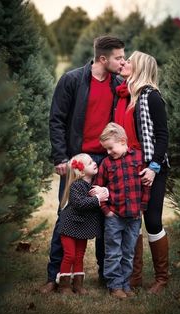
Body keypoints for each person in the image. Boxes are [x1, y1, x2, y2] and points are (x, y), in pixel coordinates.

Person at [40, 36, 125, 293]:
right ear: (102, 59)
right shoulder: (72, 80)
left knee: (104, 217)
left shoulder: (119, 85)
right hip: (78, 160)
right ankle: (54, 275)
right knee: (66, 215)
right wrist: (60, 158)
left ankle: (105, 276)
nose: (123, 62)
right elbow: (57, 120)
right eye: (118, 57)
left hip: (106, 161)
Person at [115, 51, 169, 294]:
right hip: (133, 166)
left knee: (153, 220)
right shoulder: (128, 96)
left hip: (153, 167)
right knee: (132, 219)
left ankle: (161, 278)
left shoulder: (152, 97)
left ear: (140, 69)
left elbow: (162, 136)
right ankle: (133, 277)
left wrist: (154, 167)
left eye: (129, 62)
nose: (124, 63)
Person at [93, 122, 150, 299]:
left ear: (123, 141)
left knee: (128, 252)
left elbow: (146, 186)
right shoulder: (105, 164)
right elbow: (98, 188)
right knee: (113, 252)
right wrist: (106, 210)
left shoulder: (139, 158)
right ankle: (114, 285)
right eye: (106, 149)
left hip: (133, 216)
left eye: (110, 148)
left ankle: (126, 284)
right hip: (114, 216)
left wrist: (142, 208)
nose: (108, 152)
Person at [55, 153, 108, 296]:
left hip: (82, 227)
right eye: (90, 162)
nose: (95, 163)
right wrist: (97, 199)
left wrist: (102, 193)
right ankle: (64, 286)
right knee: (69, 255)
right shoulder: (76, 186)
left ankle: (78, 285)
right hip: (69, 226)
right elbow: (79, 204)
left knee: (79, 255)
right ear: (82, 171)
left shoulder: (93, 185)